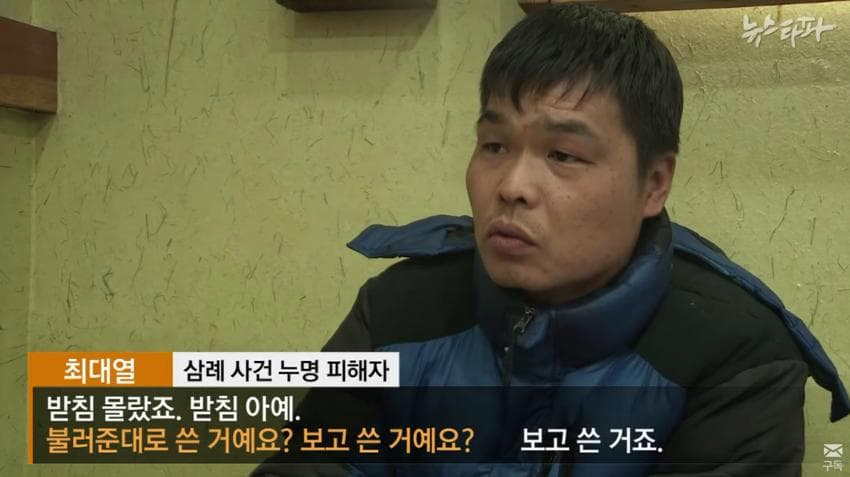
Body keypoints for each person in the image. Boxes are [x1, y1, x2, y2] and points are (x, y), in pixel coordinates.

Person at [253, 4, 849, 476]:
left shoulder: (735, 354)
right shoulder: (396, 312)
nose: (511, 186)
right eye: (494, 146)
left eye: (563, 155)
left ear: (654, 183)